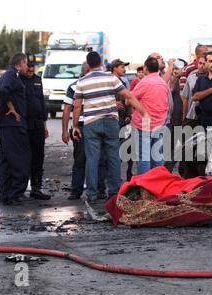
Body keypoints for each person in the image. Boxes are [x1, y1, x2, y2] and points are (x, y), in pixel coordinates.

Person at [72, 52, 148, 204]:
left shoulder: (82, 82)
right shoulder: (111, 78)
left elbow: (77, 105)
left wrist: (75, 125)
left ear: (88, 64)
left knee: (92, 159)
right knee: (114, 157)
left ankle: (92, 194)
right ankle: (113, 193)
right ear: (100, 62)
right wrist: (143, 111)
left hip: (91, 123)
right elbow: (129, 96)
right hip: (110, 122)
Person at [62, 63, 108, 200]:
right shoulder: (100, 84)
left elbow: (66, 110)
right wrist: (65, 131)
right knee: (96, 159)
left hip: (84, 126)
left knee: (83, 160)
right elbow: (68, 109)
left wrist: (65, 131)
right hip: (92, 125)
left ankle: (77, 190)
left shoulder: (75, 85)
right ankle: (97, 190)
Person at [0, 53, 30, 206]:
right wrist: (10, 108)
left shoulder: (9, 75)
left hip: (6, 124)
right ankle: (15, 194)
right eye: (26, 64)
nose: (27, 67)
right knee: (20, 159)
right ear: (21, 63)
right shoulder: (11, 75)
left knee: (7, 160)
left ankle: (5, 195)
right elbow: (3, 91)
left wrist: (2, 108)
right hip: (12, 125)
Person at [130, 57, 170, 175]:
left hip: (144, 125)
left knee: (144, 157)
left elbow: (129, 100)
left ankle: (145, 188)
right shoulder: (163, 83)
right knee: (157, 156)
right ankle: (157, 185)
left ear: (145, 69)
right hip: (160, 124)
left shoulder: (144, 82)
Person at [20, 55, 51, 200]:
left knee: (38, 157)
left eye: (33, 67)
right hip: (24, 124)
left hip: (38, 124)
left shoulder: (38, 81)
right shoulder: (18, 81)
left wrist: (45, 125)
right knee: (23, 157)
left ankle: (36, 188)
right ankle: (19, 189)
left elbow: (42, 105)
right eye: (29, 66)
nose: (31, 69)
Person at [111, 59, 134, 181]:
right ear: (114, 68)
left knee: (127, 150)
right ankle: (113, 179)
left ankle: (125, 177)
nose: (124, 69)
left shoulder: (121, 82)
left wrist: (129, 115)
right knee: (115, 152)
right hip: (113, 121)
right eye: (121, 67)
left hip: (123, 121)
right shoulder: (110, 82)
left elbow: (128, 101)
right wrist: (112, 104)